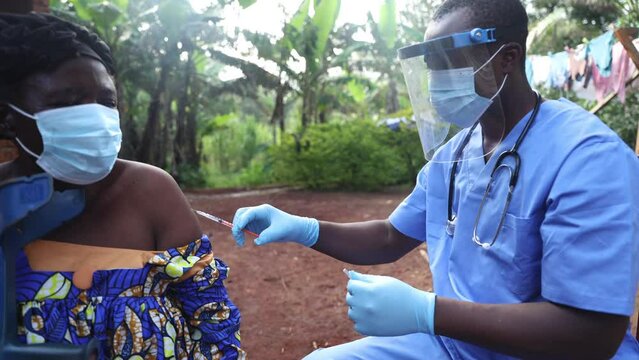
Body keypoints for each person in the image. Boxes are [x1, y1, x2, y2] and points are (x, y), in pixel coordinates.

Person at [231, 0, 639, 358]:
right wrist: (304, 229)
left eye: (449, 62)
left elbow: (591, 336)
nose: (437, 80)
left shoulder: (587, 158)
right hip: (456, 345)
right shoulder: (456, 154)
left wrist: (427, 312)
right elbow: (392, 236)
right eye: (431, 67)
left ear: (507, 57)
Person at [0, 13, 244, 359]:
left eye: (106, 101)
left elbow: (212, 315)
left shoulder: (150, 191)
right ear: (8, 117)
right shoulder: (3, 200)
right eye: (68, 102)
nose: (94, 117)